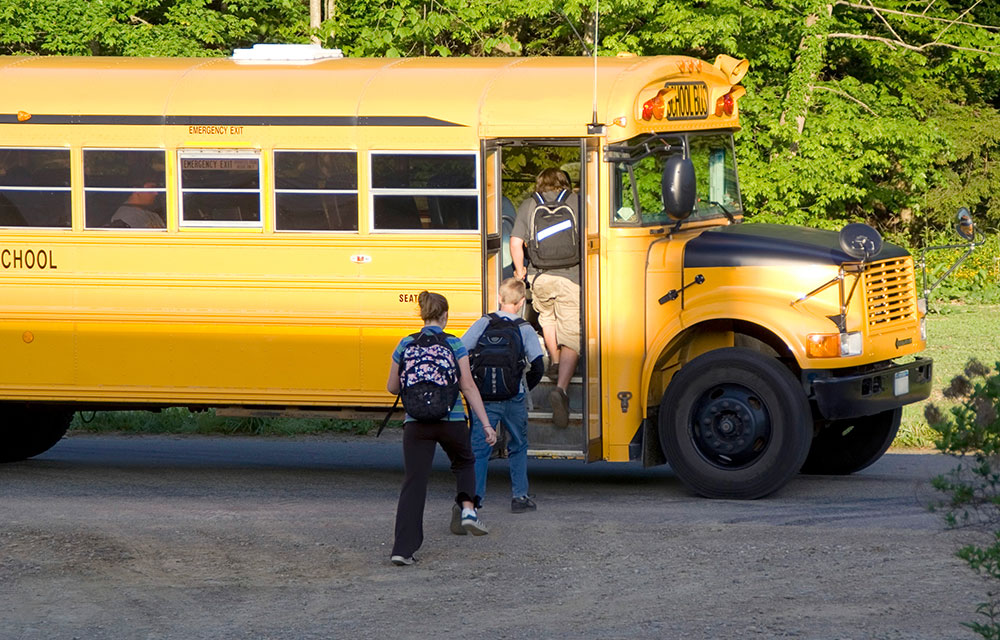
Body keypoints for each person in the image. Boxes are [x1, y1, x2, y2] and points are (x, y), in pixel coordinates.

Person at [385, 291, 497, 566]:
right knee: (464, 461)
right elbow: (467, 386)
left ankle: (402, 549)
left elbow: (392, 387)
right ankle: (468, 510)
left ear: (422, 315)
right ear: (445, 315)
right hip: (452, 420)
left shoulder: (405, 343)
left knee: (414, 482)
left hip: (416, 423)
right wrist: (485, 424)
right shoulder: (454, 344)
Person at [461, 278, 545, 513]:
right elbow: (539, 367)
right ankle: (519, 497)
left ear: (499, 298)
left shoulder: (483, 323)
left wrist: (473, 385)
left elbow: (461, 351)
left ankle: (475, 500)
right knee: (518, 445)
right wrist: (521, 385)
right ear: (520, 303)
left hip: (484, 399)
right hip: (513, 397)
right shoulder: (524, 328)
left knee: (479, 450)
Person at [510, 168, 581, 428]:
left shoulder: (530, 205)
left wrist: (520, 271)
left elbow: (516, 242)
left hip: (540, 278)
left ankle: (555, 359)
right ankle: (560, 389)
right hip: (571, 276)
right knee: (572, 333)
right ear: (565, 182)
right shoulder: (576, 202)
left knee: (548, 319)